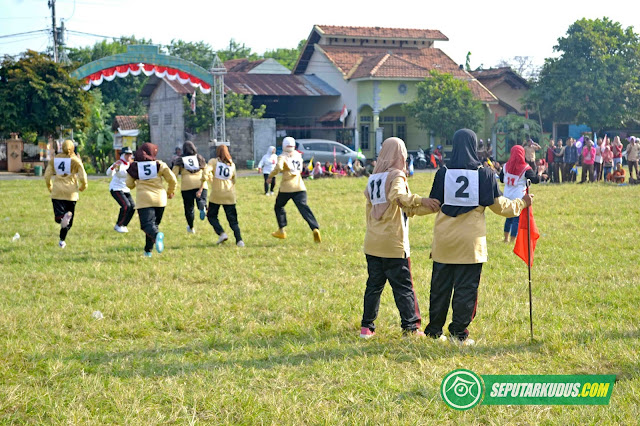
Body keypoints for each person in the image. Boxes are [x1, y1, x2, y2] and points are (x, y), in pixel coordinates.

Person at [424, 129, 532, 346]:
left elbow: (432, 203)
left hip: (444, 241)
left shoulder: (443, 172)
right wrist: (523, 202)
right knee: (466, 289)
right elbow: (500, 207)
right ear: (475, 146)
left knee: (440, 288)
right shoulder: (485, 173)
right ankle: (458, 334)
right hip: (470, 243)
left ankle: (434, 332)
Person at [360, 137, 441, 338]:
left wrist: (430, 208)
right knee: (404, 287)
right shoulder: (396, 176)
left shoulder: (374, 178)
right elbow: (399, 197)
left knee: (374, 286)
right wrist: (423, 200)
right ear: (400, 154)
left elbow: (404, 208)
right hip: (393, 243)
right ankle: (411, 328)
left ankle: (366, 327)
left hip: (372, 242)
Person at [126, 143, 177, 257]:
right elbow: (172, 179)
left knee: (146, 226)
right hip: (160, 199)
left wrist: (135, 183)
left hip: (144, 199)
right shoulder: (160, 164)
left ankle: (157, 235)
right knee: (153, 225)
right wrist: (170, 192)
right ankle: (148, 251)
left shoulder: (134, 166)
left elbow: (129, 184)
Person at [267, 136, 321, 242]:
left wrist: (270, 176)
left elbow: (278, 167)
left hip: (286, 188)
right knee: (304, 208)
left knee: (279, 206)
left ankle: (281, 230)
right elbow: (300, 169)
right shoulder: (298, 155)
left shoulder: (282, 156)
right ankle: (314, 228)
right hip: (300, 186)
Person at [44, 139, 88, 248]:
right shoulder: (76, 160)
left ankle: (61, 219)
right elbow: (83, 176)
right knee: (69, 222)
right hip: (71, 193)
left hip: (57, 191)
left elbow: (47, 175)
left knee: (59, 217)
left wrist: (50, 186)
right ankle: (62, 240)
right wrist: (83, 186)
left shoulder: (54, 160)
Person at [198, 144, 244, 247]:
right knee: (233, 219)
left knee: (211, 215)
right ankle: (239, 240)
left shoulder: (213, 162)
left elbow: (206, 171)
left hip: (217, 194)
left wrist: (203, 181)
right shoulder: (231, 164)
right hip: (229, 194)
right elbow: (234, 179)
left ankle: (221, 233)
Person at [500, 145, 539, 243]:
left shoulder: (505, 166)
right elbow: (535, 180)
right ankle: (513, 240)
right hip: (519, 197)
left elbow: (501, 179)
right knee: (516, 219)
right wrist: (541, 172)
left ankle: (506, 238)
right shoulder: (525, 168)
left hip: (507, 196)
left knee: (508, 218)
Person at [172, 141, 208, 234]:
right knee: (202, 199)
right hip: (200, 183)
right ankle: (202, 205)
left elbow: (174, 175)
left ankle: (191, 227)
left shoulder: (180, 159)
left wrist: (172, 187)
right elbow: (206, 170)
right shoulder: (200, 158)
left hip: (187, 185)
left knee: (189, 208)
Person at [106, 146, 135, 233]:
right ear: (122, 155)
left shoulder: (131, 164)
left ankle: (124, 225)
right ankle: (118, 225)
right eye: (126, 154)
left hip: (126, 189)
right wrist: (113, 168)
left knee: (133, 207)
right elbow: (109, 173)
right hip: (116, 188)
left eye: (130, 154)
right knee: (126, 206)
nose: (128, 156)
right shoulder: (119, 163)